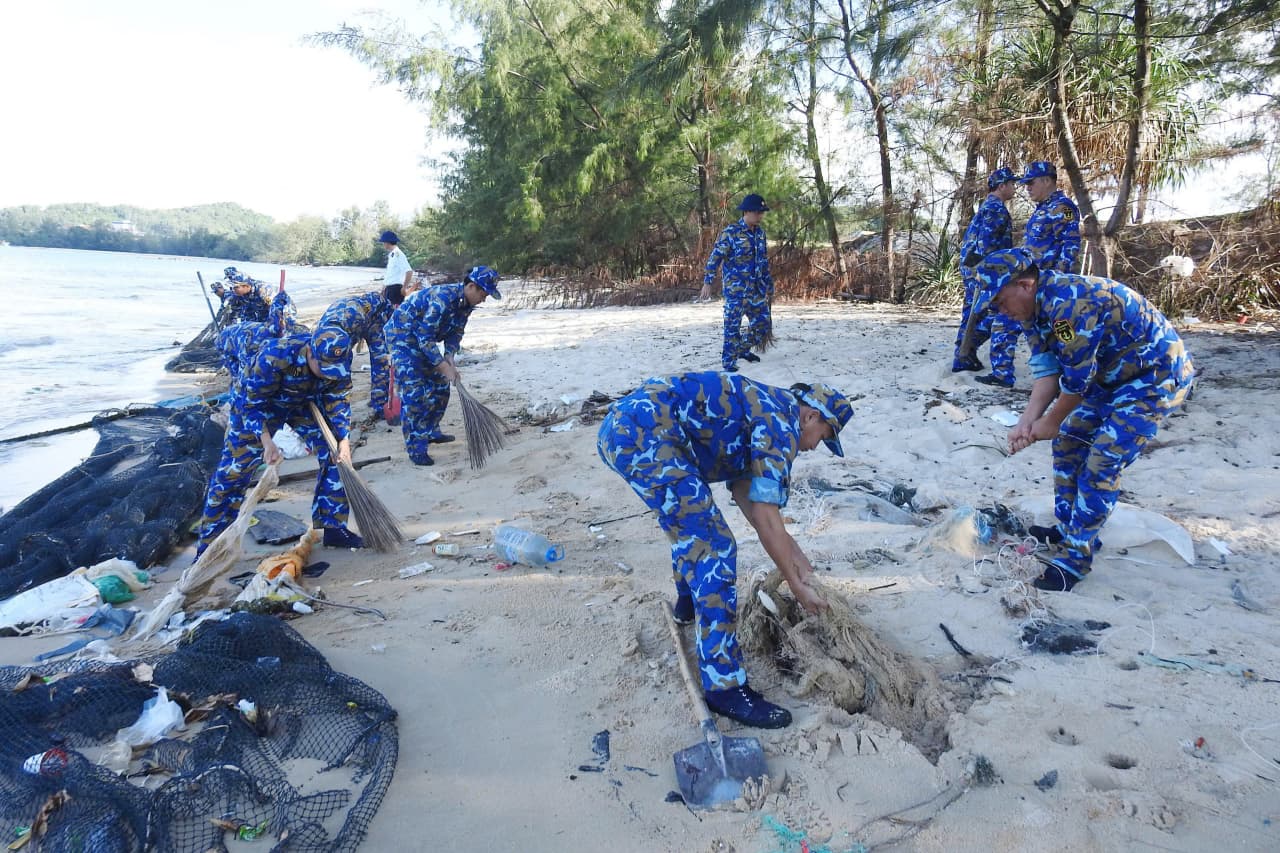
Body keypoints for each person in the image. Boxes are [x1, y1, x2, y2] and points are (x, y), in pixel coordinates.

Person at [596, 372, 854, 728]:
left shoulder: (769, 408)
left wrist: (800, 566)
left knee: (692, 521)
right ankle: (724, 688)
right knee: (715, 548)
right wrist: (796, 587)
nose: (813, 447)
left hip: (625, 429)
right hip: (646, 434)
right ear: (811, 416)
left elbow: (749, 499)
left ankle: (687, 602)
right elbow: (765, 516)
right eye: (822, 437)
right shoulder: (781, 426)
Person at [970, 249, 1194, 592]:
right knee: (1070, 440)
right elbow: (1047, 373)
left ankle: (1077, 557)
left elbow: (1076, 382)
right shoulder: (1033, 312)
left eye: (1000, 301)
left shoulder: (1067, 306)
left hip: (1154, 378)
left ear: (1025, 285)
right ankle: (1071, 527)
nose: (1001, 311)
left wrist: (1050, 422)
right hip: (1111, 379)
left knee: (1102, 459)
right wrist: (1027, 422)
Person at [195, 327, 365, 557]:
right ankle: (210, 545)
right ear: (310, 353)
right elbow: (251, 406)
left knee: (336, 456)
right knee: (232, 473)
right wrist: (267, 442)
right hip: (262, 406)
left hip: (305, 403)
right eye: (323, 369)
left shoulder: (338, 359)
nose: (329, 374)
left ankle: (334, 527)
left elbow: (337, 399)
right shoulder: (274, 356)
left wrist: (343, 439)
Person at [975, 161, 1081, 388]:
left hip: (1048, 287)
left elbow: (1071, 244)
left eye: (1031, 183)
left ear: (1047, 180)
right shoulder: (1041, 209)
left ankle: (1070, 377)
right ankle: (1002, 375)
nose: (1027, 188)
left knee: (1059, 332)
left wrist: (1059, 278)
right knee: (1005, 323)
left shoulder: (1064, 207)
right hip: (1026, 284)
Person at [384, 265, 501, 466]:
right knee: (416, 393)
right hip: (402, 336)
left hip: (423, 339)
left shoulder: (466, 304)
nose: (484, 299)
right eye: (484, 293)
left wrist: (450, 358)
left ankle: (431, 431)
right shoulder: (442, 299)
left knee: (440, 387)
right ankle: (416, 448)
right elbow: (424, 338)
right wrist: (442, 366)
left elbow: (456, 333)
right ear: (471, 286)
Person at [316, 281, 417, 420]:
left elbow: (386, 311)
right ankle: (329, 408)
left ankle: (378, 402)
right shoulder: (381, 302)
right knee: (337, 370)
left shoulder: (371, 301)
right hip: (350, 324)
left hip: (362, 320)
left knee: (379, 361)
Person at [953, 167, 1018, 373]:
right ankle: (967, 348)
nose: (1015, 188)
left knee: (972, 311)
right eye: (1012, 184)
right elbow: (986, 243)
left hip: (974, 267)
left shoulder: (987, 206)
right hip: (984, 269)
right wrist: (992, 273)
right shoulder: (996, 208)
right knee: (999, 311)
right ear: (1002, 186)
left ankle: (962, 356)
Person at [701, 194, 774, 372]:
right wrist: (708, 281)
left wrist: (769, 284)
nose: (760, 216)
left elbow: (763, 262)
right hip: (736, 291)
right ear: (747, 212)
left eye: (762, 213)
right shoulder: (731, 232)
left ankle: (742, 349)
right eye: (758, 212)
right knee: (732, 327)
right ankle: (729, 362)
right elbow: (716, 257)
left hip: (756, 290)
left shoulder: (760, 234)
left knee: (763, 325)